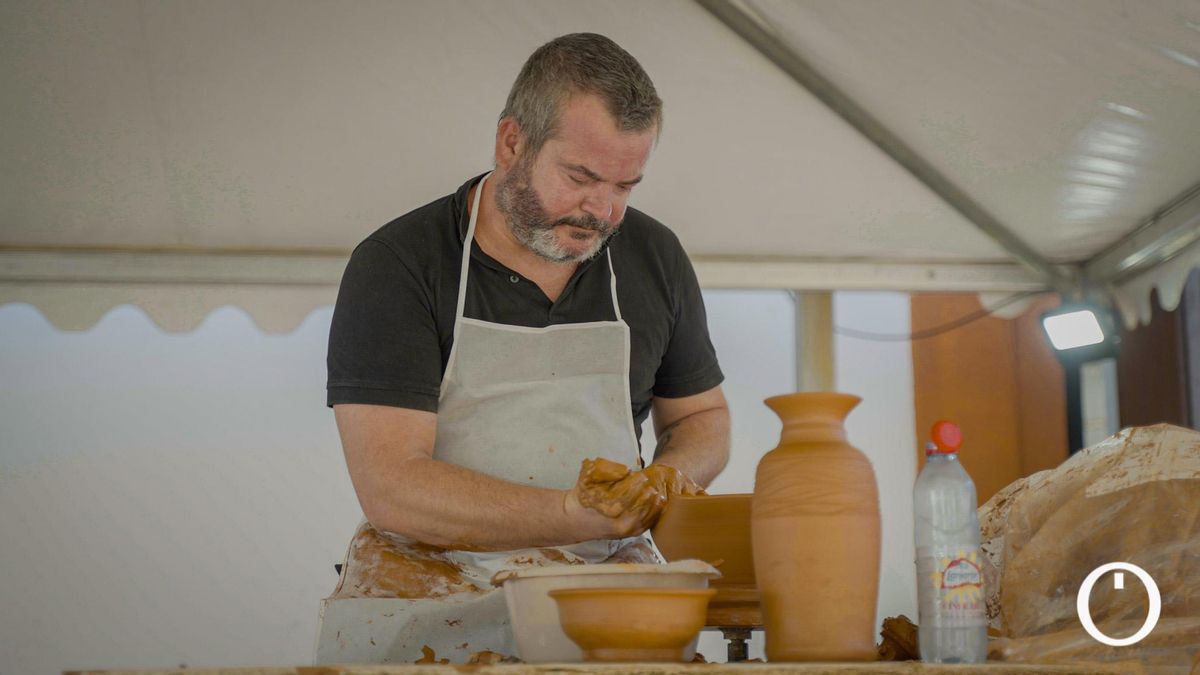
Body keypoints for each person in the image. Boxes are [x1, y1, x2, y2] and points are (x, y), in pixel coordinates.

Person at [322, 32, 731, 662]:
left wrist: (663, 482)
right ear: (512, 142)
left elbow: (703, 418)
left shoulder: (653, 258)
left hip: (603, 608)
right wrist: (576, 512)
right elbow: (392, 484)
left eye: (626, 186)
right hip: (429, 605)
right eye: (581, 177)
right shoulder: (399, 264)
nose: (602, 211)